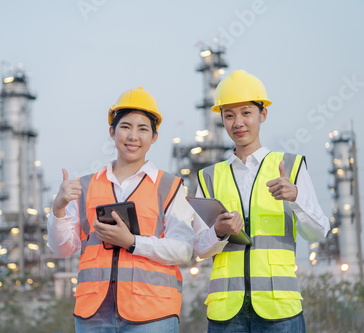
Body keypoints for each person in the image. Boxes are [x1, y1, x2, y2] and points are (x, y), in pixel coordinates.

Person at [47, 87, 222, 332]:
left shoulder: (169, 187)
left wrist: (132, 242)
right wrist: (57, 209)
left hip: (152, 315)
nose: (133, 136)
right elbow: (61, 248)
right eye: (126, 126)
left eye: (143, 129)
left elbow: (183, 249)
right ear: (112, 131)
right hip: (93, 315)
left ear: (154, 137)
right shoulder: (85, 186)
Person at [193, 70, 330, 332]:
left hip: (279, 309)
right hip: (226, 312)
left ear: (262, 114)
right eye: (229, 115)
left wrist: (296, 198)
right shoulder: (209, 177)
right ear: (221, 119)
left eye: (246, 113)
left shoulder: (290, 166)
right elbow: (199, 249)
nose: (238, 123)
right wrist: (219, 232)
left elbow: (318, 232)